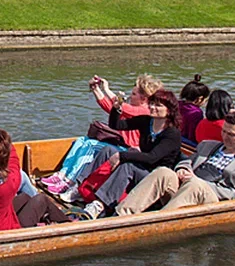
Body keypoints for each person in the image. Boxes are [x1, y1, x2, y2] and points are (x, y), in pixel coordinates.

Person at [114, 109, 235, 214]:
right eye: (223, 131)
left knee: (195, 185)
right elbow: (187, 161)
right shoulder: (208, 146)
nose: (225, 137)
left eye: (232, 135)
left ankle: (159, 221)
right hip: (186, 189)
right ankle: (122, 215)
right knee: (164, 172)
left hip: (213, 201)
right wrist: (182, 169)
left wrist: (196, 181)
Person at [39, 74, 162, 195]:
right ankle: (62, 174)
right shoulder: (133, 109)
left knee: (92, 146)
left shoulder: (145, 110)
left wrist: (106, 89)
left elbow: (121, 107)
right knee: (82, 140)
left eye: (134, 94)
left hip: (129, 150)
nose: (130, 96)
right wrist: (96, 89)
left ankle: (71, 181)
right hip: (119, 144)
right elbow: (110, 107)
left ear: (144, 98)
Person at [79, 89, 185, 218]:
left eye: (158, 105)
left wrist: (122, 156)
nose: (152, 107)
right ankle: (81, 186)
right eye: (152, 103)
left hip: (155, 176)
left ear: (169, 110)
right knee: (108, 150)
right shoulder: (147, 121)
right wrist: (116, 109)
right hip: (142, 165)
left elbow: (152, 158)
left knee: (127, 165)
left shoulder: (172, 134)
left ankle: (100, 205)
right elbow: (116, 125)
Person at [178, 74, 210, 144]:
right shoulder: (196, 113)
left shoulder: (177, 104)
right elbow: (193, 135)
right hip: (187, 143)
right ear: (200, 99)